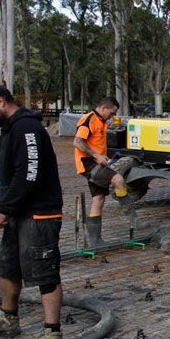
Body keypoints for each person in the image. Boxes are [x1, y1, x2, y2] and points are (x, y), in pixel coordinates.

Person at [0, 84, 65, 339]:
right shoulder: (10, 129)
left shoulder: (27, 127)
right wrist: (0, 208)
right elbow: (9, 177)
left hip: (39, 213)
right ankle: (8, 319)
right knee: (8, 267)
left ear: (0, 101)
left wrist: (5, 209)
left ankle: (51, 331)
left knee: (44, 271)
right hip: (16, 213)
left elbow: (28, 174)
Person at [73, 97, 136, 247]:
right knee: (118, 180)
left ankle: (94, 240)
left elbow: (94, 143)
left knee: (99, 198)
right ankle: (134, 219)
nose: (112, 116)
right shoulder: (89, 119)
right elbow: (77, 142)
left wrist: (102, 155)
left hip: (95, 162)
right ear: (103, 107)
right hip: (87, 163)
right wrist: (96, 155)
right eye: (112, 113)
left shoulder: (102, 122)